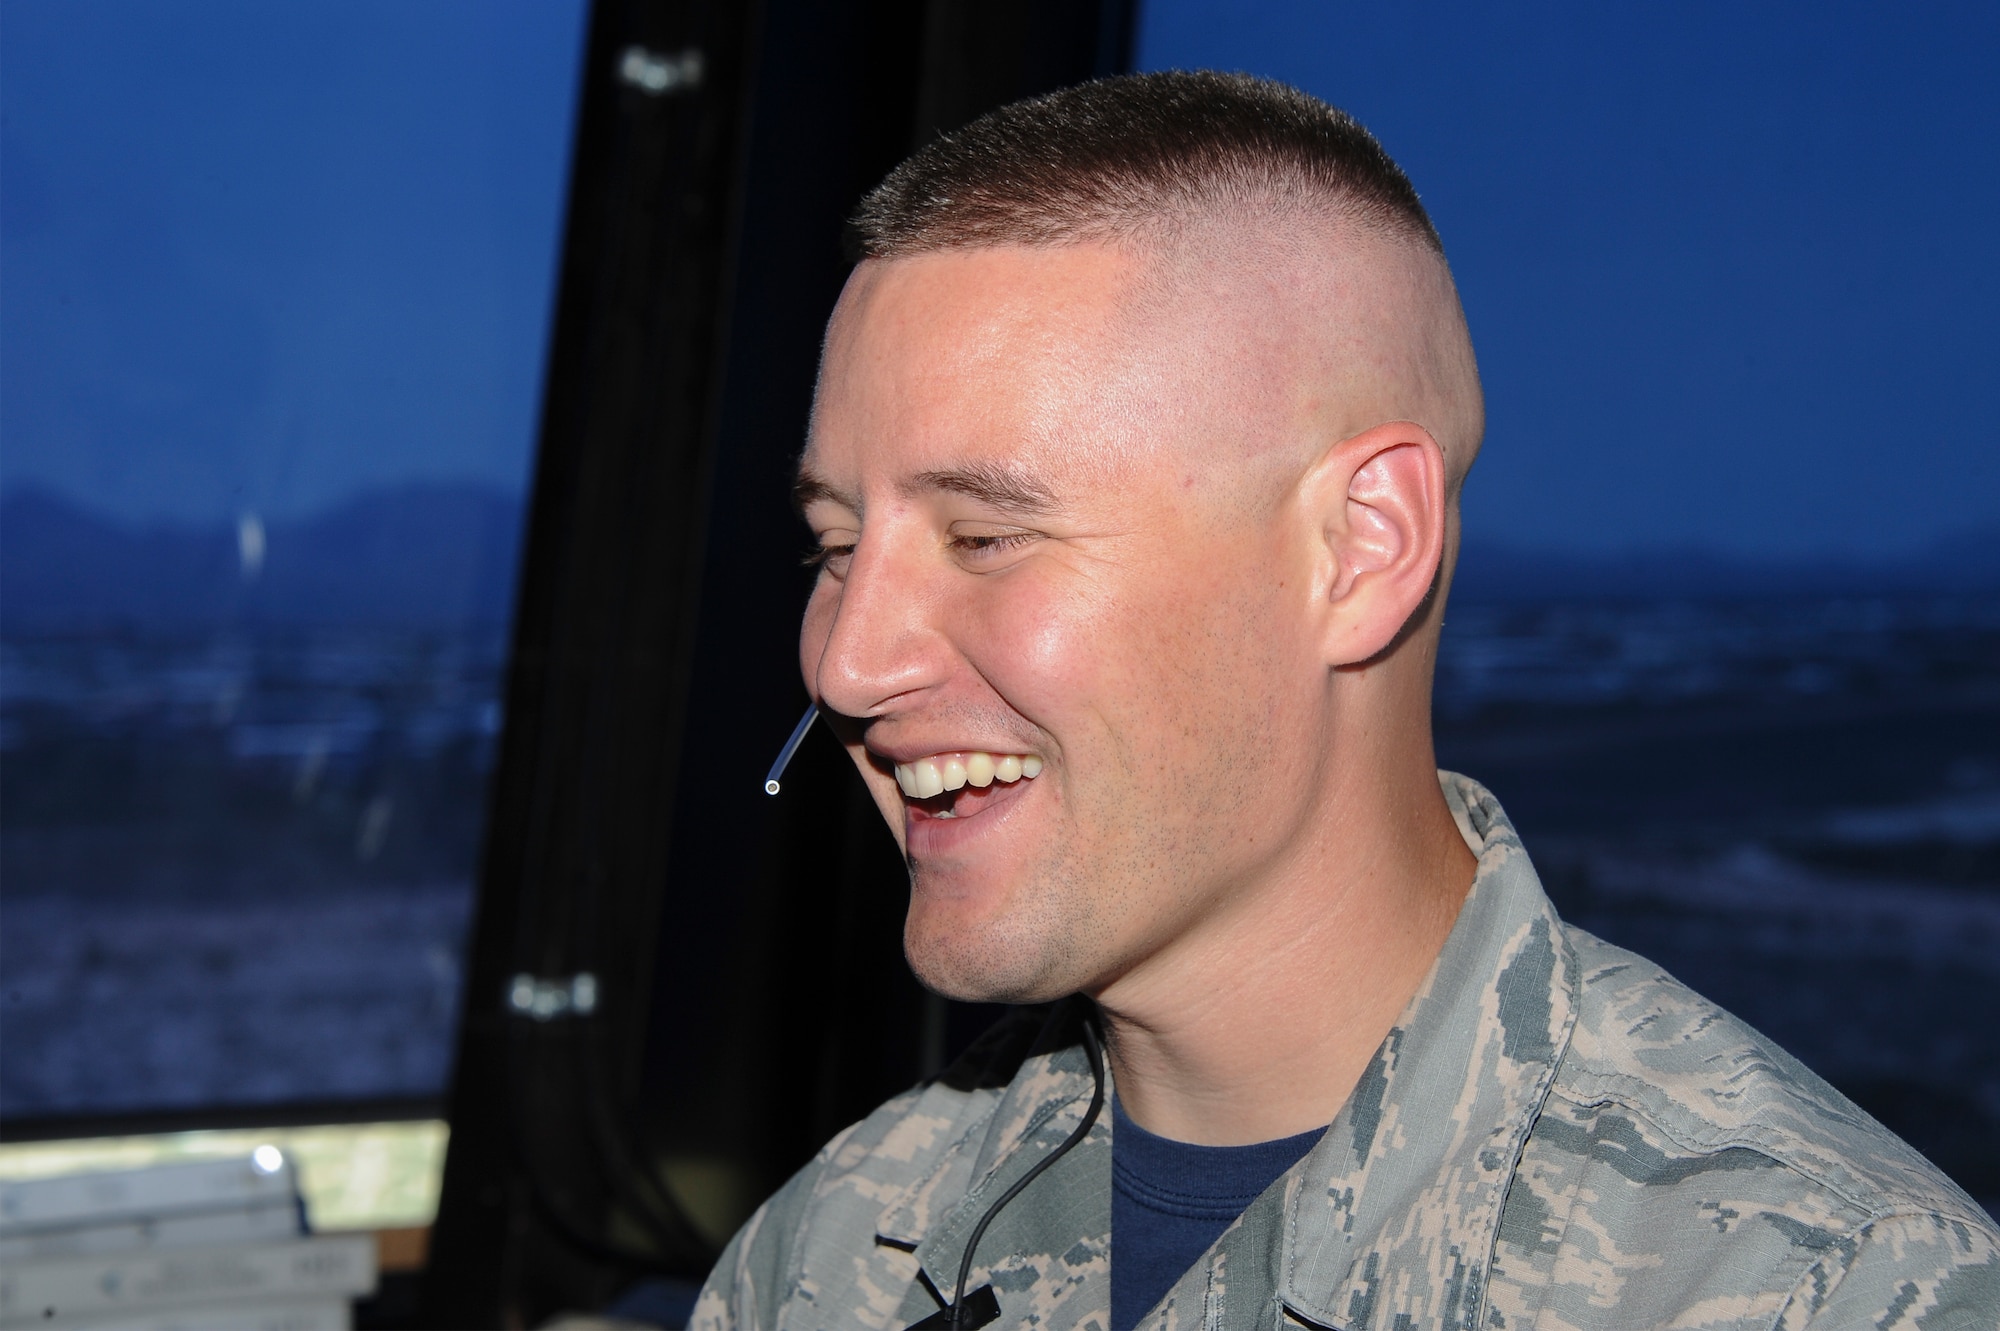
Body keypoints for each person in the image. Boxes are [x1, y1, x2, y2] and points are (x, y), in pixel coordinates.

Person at [691, 71, 1999, 1330]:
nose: (847, 665)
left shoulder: (1824, 1295)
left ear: (1359, 550)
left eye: (985, 538)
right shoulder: (832, 1257)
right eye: (834, 551)